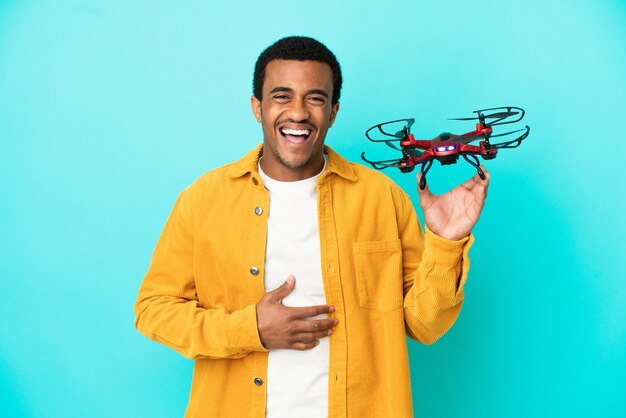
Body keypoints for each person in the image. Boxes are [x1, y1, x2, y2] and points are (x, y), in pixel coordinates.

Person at [134, 36, 489, 418]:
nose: (299, 113)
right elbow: (153, 310)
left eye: (315, 98)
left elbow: (424, 324)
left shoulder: (380, 198)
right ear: (258, 107)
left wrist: (446, 242)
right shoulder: (204, 200)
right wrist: (249, 329)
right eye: (282, 96)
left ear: (333, 111)